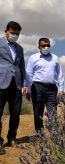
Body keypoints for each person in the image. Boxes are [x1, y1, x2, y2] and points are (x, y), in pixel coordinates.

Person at [25, 37, 64, 133]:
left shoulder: (55, 58)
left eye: (48, 45)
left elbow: (59, 73)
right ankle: (40, 133)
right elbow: (29, 74)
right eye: (43, 45)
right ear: (39, 47)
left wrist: (61, 88)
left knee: (52, 112)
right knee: (38, 111)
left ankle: (54, 134)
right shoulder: (33, 58)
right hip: (38, 87)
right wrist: (28, 90)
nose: (46, 47)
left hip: (52, 88)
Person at [0, 21, 25, 149]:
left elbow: (22, 67)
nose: (14, 35)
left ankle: (12, 138)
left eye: (17, 34)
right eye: (12, 33)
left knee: (15, 113)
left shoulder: (20, 48)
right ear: (6, 31)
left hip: (16, 85)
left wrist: (24, 84)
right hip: (1, 83)